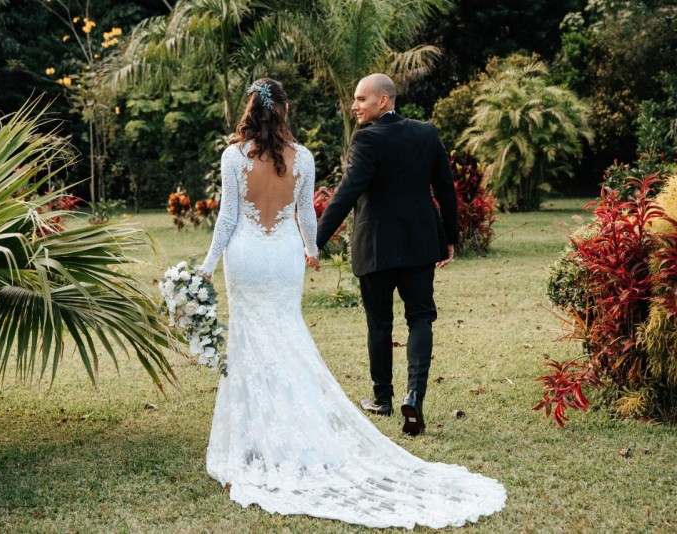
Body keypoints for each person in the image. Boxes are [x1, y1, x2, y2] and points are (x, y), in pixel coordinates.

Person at [199, 77, 504, 529]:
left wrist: (211, 265)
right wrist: (311, 248)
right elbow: (311, 213)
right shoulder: (315, 155)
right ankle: (398, 398)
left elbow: (239, 214)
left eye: (362, 98)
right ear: (283, 110)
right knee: (383, 323)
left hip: (298, 254)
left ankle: (347, 409)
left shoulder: (240, 155)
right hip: (335, 253)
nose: (355, 105)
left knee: (289, 333)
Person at [316, 73, 458, 436]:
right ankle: (415, 394)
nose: (355, 106)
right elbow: (445, 187)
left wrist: (315, 240)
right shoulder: (426, 133)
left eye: (361, 99)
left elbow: (347, 193)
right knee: (421, 318)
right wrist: (450, 236)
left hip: (376, 246)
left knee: (380, 323)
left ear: (384, 101)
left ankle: (383, 398)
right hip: (418, 244)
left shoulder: (367, 139)